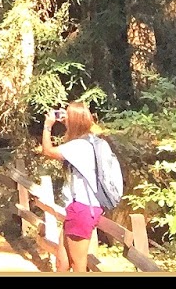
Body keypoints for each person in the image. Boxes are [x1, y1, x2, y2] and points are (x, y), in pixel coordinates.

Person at [40, 103, 111, 273]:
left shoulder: (79, 146)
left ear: (74, 122)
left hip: (83, 209)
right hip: (83, 208)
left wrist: (48, 126)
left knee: (78, 265)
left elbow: (47, 151)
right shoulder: (97, 143)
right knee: (62, 261)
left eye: (68, 117)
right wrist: (69, 119)